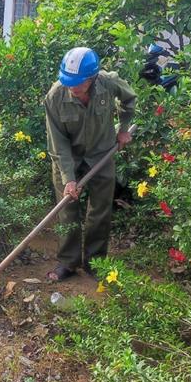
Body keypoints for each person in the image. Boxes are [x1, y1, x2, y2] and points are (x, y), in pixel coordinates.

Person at [44, 47, 136, 282]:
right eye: (69, 82)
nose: (73, 88)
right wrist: (69, 179)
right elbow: (58, 143)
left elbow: (129, 99)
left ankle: (95, 261)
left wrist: (123, 130)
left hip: (101, 154)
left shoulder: (107, 83)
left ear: (92, 78)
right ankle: (68, 262)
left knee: (100, 211)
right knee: (67, 212)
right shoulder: (55, 97)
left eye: (78, 83)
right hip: (68, 160)